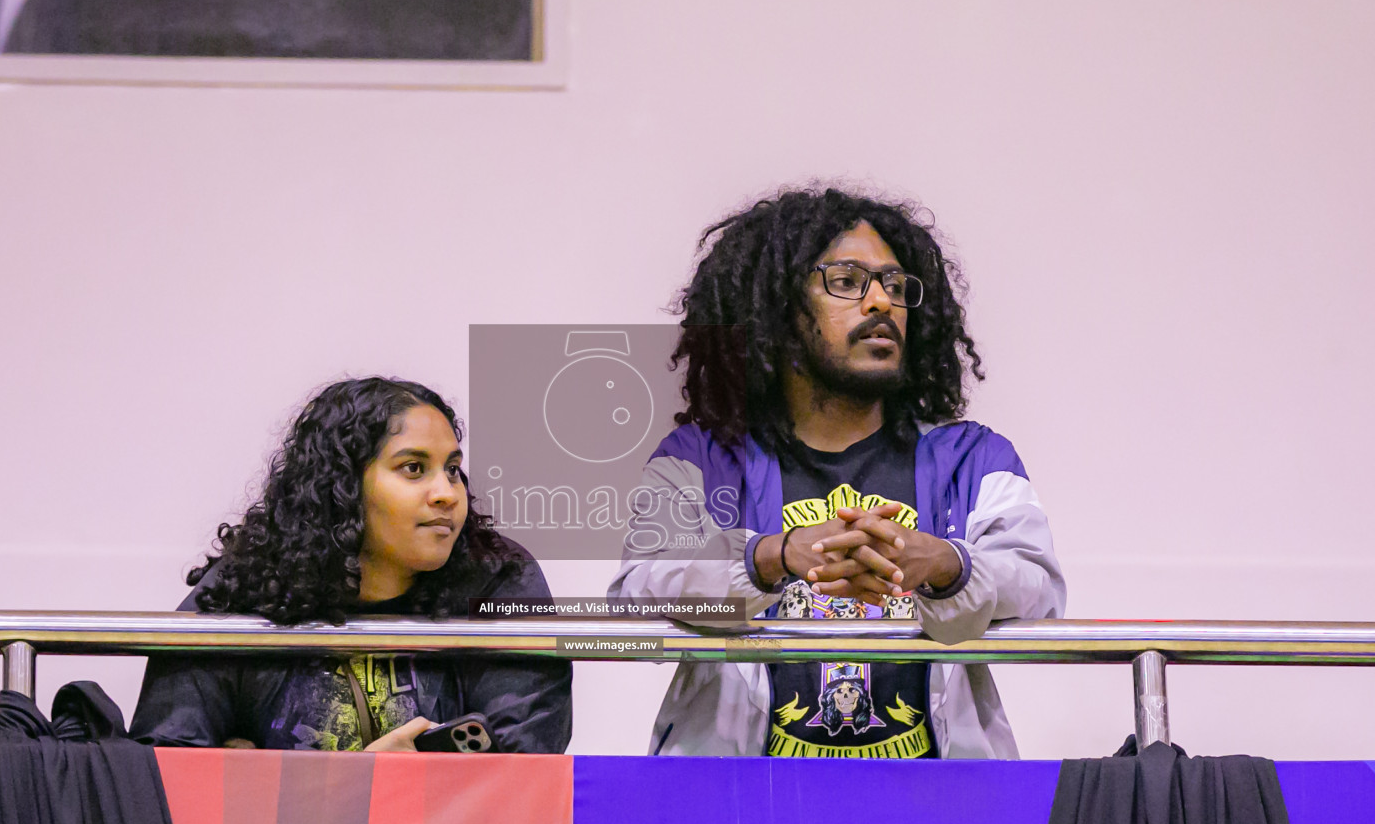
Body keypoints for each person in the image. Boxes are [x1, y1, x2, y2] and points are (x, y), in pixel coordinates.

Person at [607, 187, 1064, 758]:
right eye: (847, 281)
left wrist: (943, 564)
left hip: (933, 812)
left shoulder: (972, 456)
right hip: (750, 816)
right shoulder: (700, 457)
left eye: (895, 286)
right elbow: (637, 599)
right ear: (777, 308)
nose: (881, 303)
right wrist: (774, 557)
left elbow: (1040, 592)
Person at [130, 377, 572, 753]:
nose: (448, 493)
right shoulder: (246, 584)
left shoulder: (497, 577)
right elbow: (170, 763)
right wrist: (356, 784)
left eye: (453, 469)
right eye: (414, 468)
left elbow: (524, 762)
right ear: (340, 488)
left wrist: (264, 769)